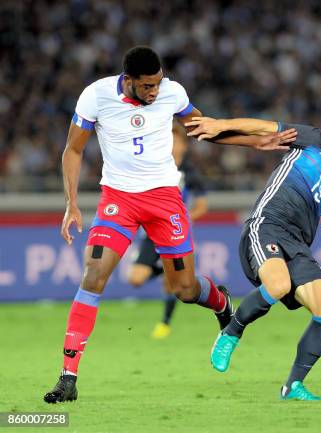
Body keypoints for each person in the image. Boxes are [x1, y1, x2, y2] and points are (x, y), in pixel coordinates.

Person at [44, 46, 296, 404]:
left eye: (158, 84)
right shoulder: (95, 96)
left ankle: (220, 301)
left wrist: (256, 142)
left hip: (165, 200)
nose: (155, 92)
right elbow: (73, 149)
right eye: (147, 86)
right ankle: (68, 377)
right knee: (93, 275)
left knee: (184, 289)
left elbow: (205, 129)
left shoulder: (172, 93)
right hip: (119, 200)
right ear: (128, 81)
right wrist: (71, 203)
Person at [186, 99, 321, 400]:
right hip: (266, 225)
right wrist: (221, 124)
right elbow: (265, 127)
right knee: (278, 284)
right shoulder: (314, 140)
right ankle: (232, 331)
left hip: (297, 246)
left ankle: (293, 385)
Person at [127, 121, 209, 339]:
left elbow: (201, 205)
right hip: (151, 233)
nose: (171, 144)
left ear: (183, 145)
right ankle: (165, 268)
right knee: (135, 279)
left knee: (174, 285)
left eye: (175, 140)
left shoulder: (189, 172)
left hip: (174, 234)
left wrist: (182, 220)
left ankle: (165, 323)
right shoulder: (154, 166)